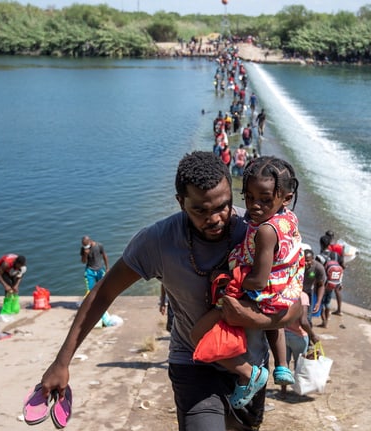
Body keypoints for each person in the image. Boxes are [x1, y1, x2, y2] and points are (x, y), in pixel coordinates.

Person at [38, 152, 300, 431]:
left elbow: (295, 304)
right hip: (193, 364)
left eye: (223, 206)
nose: (216, 219)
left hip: (251, 369)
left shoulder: (257, 232)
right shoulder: (157, 241)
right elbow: (104, 293)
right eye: (200, 210)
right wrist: (62, 362)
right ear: (180, 202)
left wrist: (255, 320)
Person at [191, 155, 304, 409]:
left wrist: (233, 286)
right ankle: (282, 366)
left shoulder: (265, 231)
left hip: (261, 294)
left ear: (285, 197)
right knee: (272, 326)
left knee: (197, 334)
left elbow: (258, 280)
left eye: (264, 200)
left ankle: (249, 373)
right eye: (249, 197)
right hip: (284, 292)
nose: (254, 206)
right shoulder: (287, 218)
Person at [280, 289, 319, 398]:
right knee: (300, 365)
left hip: (283, 334)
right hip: (299, 337)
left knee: (284, 364)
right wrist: (313, 335)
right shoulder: (303, 296)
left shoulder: (284, 292)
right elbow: (303, 321)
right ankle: (298, 390)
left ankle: (283, 391)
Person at [301, 248, 326, 325]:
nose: (305, 263)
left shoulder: (318, 268)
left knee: (307, 318)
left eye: (308, 261)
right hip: (295, 290)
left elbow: (321, 286)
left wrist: (318, 302)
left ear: (313, 259)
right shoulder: (297, 264)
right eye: (304, 260)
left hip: (308, 292)